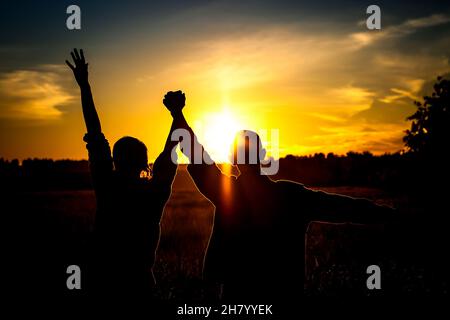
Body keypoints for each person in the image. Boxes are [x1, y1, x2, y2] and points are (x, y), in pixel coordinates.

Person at [163, 90, 394, 301]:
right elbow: (345, 208)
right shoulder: (292, 195)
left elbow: (195, 153)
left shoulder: (226, 194)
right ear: (263, 157)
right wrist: (390, 215)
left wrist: (178, 114)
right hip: (285, 296)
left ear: (233, 159)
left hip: (238, 296)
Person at [66, 49, 178, 295]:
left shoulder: (107, 184)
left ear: (114, 161)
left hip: (103, 283)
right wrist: (177, 115)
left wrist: (84, 86)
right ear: (144, 164)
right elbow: (169, 155)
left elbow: (94, 132)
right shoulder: (153, 194)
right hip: (140, 286)